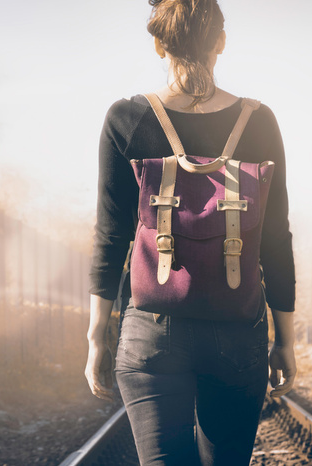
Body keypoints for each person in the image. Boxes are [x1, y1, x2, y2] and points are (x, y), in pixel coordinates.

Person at [85, 0, 297, 464]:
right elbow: (275, 239)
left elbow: (110, 235)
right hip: (238, 330)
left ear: (160, 43)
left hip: (150, 332)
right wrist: (285, 340)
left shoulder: (126, 118)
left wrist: (97, 334)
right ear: (220, 41)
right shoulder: (259, 121)